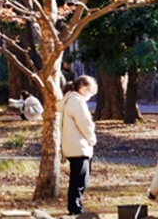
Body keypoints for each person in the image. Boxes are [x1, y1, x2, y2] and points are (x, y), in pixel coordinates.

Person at [60, 75, 98, 217]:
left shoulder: (68, 100)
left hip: (71, 145)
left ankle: (74, 207)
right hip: (79, 146)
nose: (90, 96)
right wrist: (92, 139)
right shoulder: (77, 101)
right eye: (90, 92)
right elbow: (85, 124)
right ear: (82, 88)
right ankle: (76, 209)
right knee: (80, 181)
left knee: (77, 179)